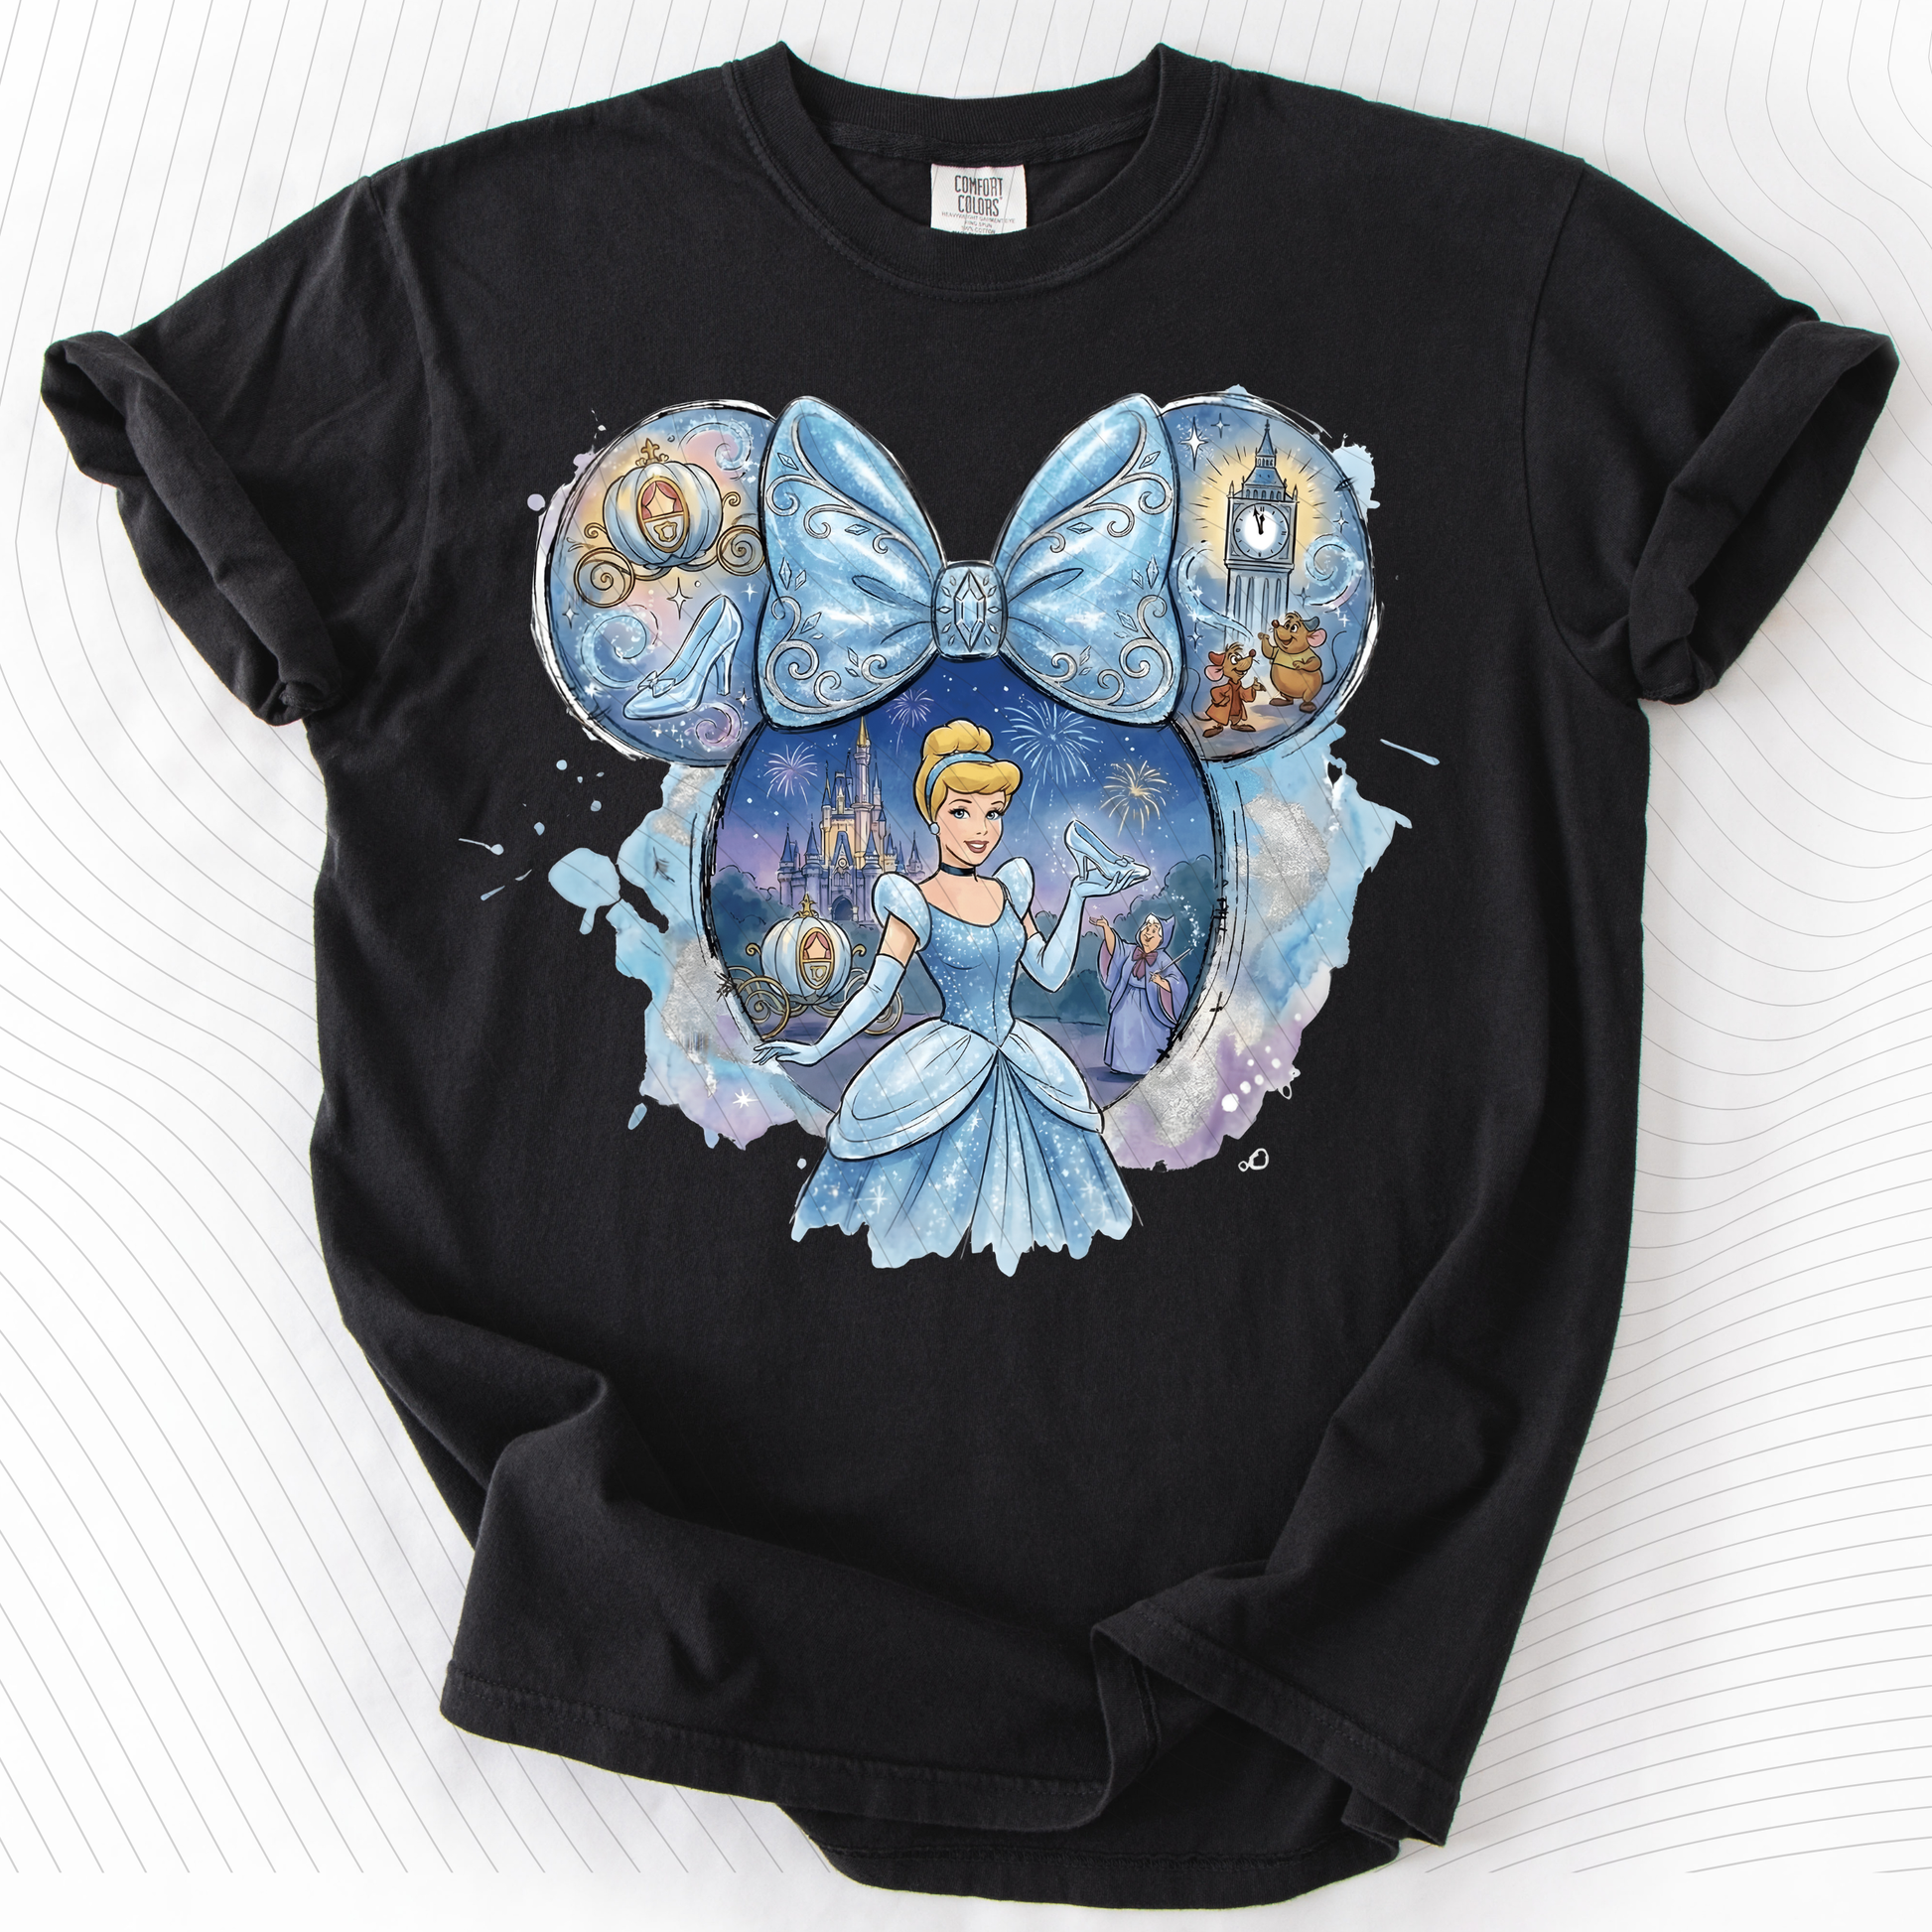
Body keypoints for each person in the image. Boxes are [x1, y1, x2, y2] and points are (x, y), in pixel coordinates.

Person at [757, 718, 1138, 1274]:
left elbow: (1050, 974)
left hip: (1021, 1058)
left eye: (992, 813)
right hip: (948, 1062)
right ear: (933, 817)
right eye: (962, 812)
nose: (980, 829)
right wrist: (817, 1049)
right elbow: (877, 989)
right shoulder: (913, 900)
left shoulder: (1009, 890)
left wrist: (1079, 894)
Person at [1093, 911, 1188, 1075]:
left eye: (1154, 930)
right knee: (1124, 1031)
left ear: (1162, 939)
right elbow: (1115, 947)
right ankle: (1120, 1064)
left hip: (1150, 1006)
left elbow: (1178, 983)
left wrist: (1162, 982)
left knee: (1147, 1035)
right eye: (1147, 928)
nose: (1148, 933)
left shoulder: (1163, 959)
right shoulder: (1131, 951)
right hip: (1125, 1000)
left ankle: (1145, 1066)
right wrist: (1106, 928)